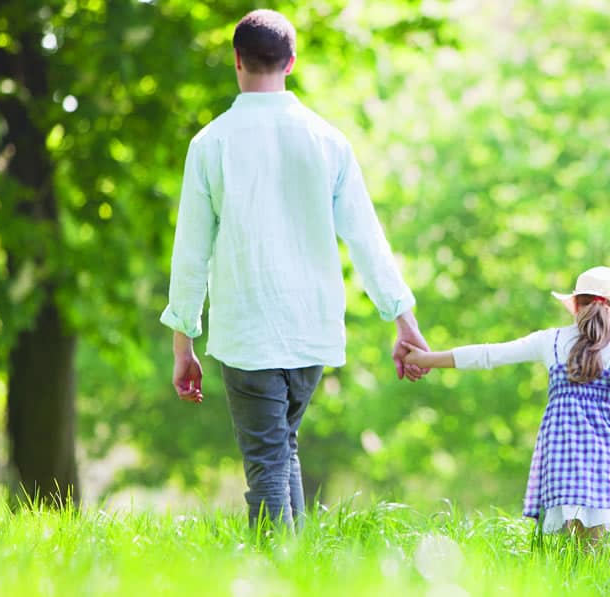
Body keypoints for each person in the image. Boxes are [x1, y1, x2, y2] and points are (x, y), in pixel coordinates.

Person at [160, 9, 430, 531]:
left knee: (267, 463)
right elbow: (366, 238)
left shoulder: (210, 144)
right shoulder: (328, 141)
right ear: (292, 62)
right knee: (281, 451)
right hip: (311, 328)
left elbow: (190, 253)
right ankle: (300, 572)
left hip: (246, 329)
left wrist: (183, 345)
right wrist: (402, 317)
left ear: (236, 61)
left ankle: (271, 577)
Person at [402, 266, 610, 540]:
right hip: (608, 449)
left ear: (575, 305)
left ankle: (573, 580)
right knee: (596, 536)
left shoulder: (550, 340)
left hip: (564, 448)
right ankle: (592, 579)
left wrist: (426, 359)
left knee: (573, 536)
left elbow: (489, 354)